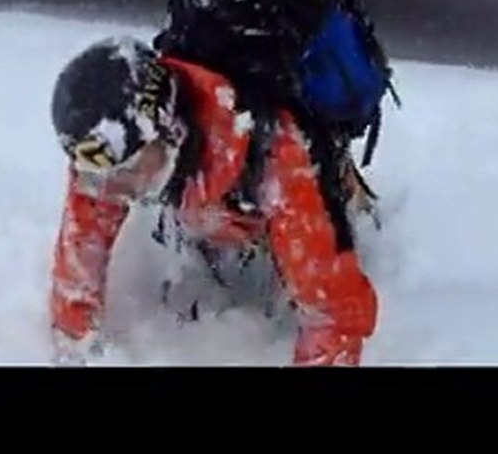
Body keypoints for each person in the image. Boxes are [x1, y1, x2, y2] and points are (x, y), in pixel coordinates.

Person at [47, 34, 379, 367]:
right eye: (100, 177)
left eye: (127, 173)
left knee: (309, 265)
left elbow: (335, 315)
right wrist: (75, 342)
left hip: (291, 200)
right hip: (213, 206)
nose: (115, 190)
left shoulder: (278, 161)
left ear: (169, 129)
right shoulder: (116, 149)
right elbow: (84, 236)